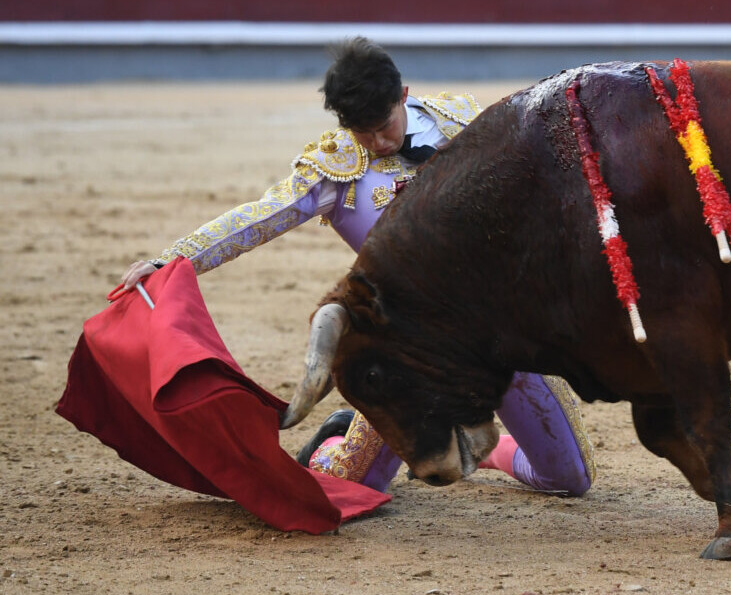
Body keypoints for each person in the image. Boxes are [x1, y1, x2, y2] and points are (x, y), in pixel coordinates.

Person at [120, 37, 595, 496]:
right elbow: (256, 218)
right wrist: (172, 259)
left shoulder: (466, 124)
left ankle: (485, 453)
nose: (376, 142)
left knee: (569, 479)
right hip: (406, 353)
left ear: (404, 96)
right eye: (360, 131)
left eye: (383, 125)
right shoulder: (334, 168)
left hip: (500, 334)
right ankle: (332, 440)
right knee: (352, 488)